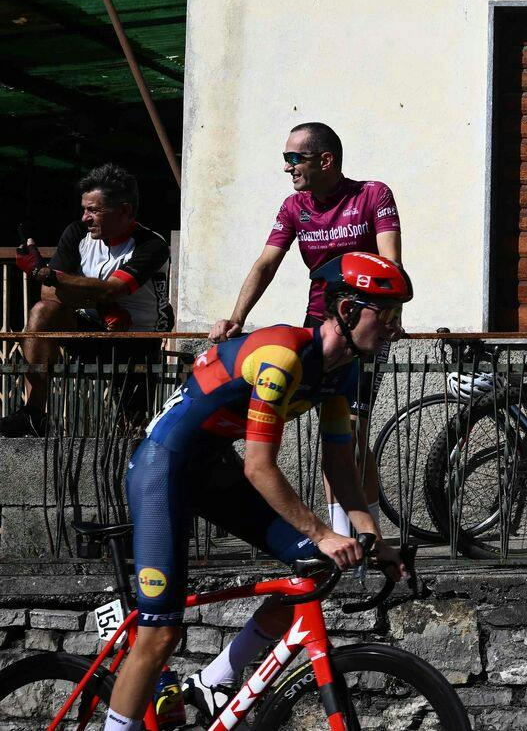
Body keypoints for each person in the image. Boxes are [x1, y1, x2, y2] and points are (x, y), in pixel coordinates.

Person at [106, 252, 409, 730]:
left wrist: (375, 538)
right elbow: (259, 467)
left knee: (315, 569)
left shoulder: (343, 371)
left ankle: (214, 680)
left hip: (212, 469)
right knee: (159, 634)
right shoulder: (281, 357)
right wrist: (322, 531)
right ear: (348, 310)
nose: (396, 329)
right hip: (163, 467)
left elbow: (340, 467)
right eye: (387, 315)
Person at [209, 122, 401, 538]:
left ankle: (366, 538)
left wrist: (390, 314)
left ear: (325, 160)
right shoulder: (294, 207)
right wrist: (237, 316)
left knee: (352, 432)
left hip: (365, 325)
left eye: (294, 158)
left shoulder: (373, 194)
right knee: (337, 434)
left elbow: (391, 262)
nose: (287, 167)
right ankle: (346, 538)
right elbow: (266, 263)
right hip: (321, 326)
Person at [6, 165, 171, 437]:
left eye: (94, 210)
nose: (85, 218)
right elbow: (49, 294)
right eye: (84, 209)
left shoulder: (151, 244)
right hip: (91, 329)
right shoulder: (76, 233)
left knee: (131, 430)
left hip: (136, 340)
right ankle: (33, 413)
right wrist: (101, 305)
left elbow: (113, 290)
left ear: (124, 211)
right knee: (42, 311)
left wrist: (46, 273)